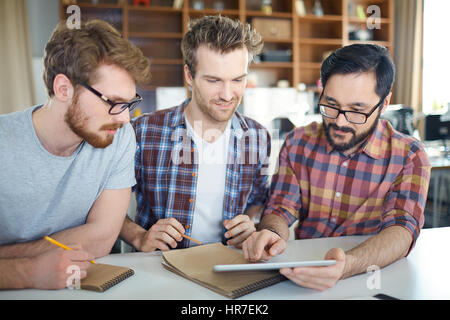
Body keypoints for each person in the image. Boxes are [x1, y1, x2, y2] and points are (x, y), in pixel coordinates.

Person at [242, 44, 431, 291]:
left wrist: (347, 265)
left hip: (374, 281)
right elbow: (280, 208)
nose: (339, 122)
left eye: (357, 110)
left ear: (384, 104)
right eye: (330, 105)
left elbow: (402, 230)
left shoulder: (410, 156)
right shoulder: (298, 142)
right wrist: (271, 234)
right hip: (303, 282)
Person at [0, 20, 150, 288]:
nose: (126, 118)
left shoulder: (119, 137)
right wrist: (26, 271)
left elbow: (102, 236)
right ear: (63, 89)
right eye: (114, 103)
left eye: (129, 103)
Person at [120, 15, 270, 251]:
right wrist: (139, 237)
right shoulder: (143, 132)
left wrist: (251, 223)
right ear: (189, 76)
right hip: (161, 267)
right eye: (213, 80)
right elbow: (104, 206)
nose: (227, 94)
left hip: (229, 265)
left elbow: (258, 203)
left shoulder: (258, 138)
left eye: (238, 80)